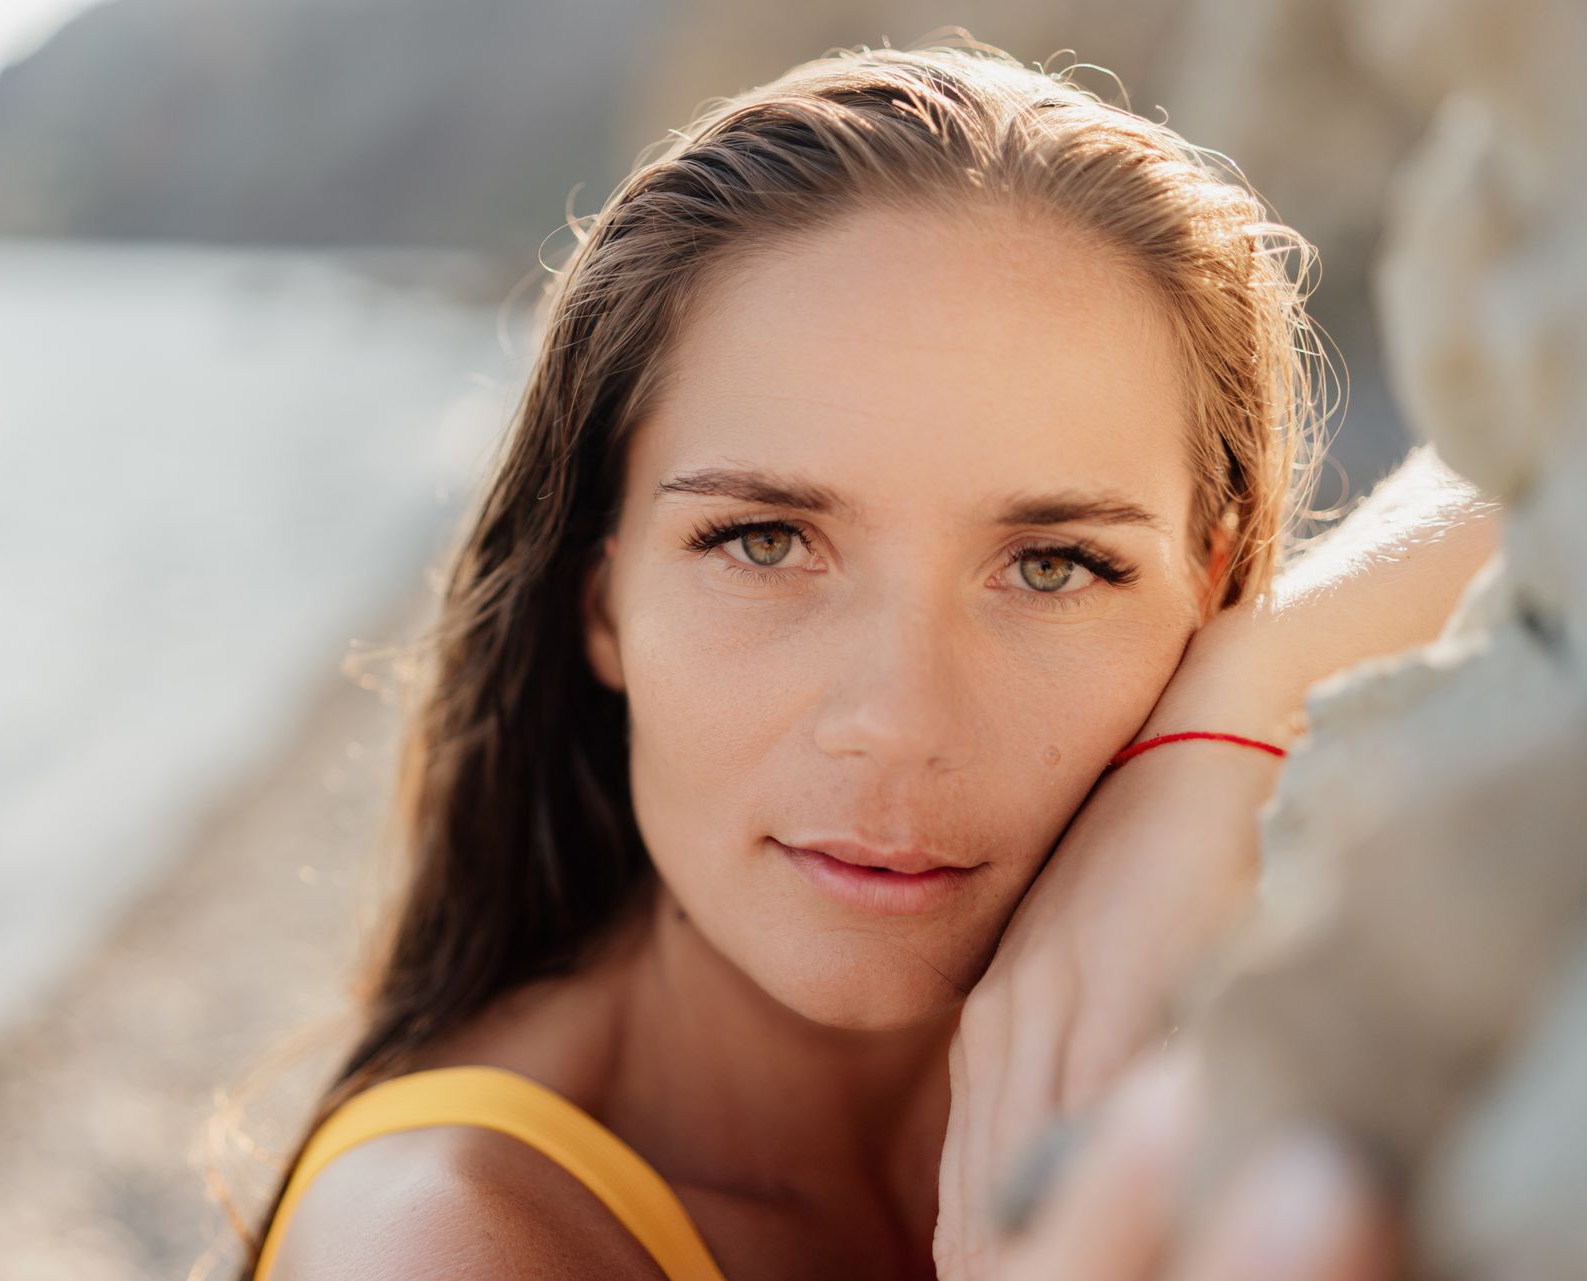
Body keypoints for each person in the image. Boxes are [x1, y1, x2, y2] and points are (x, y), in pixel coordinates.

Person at [233, 37, 1497, 1281]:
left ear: (1207, 588)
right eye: (766, 541)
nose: (897, 720)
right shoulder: (444, 1241)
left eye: (1055, 564)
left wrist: (1243, 700)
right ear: (602, 596)